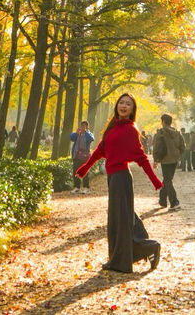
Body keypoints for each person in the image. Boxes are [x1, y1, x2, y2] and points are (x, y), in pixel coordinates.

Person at [76, 93, 162, 273]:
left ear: (132, 109)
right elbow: (99, 151)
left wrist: (155, 180)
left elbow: (142, 158)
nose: (123, 106)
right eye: (121, 103)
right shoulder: (112, 127)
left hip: (122, 177)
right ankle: (125, 256)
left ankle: (133, 256)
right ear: (117, 106)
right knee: (119, 220)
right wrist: (85, 168)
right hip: (113, 178)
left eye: (128, 104)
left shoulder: (131, 130)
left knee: (122, 220)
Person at [153, 113, 185, 211]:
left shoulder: (161, 132)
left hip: (165, 160)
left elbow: (156, 147)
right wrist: (178, 154)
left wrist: (155, 159)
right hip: (174, 160)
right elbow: (183, 146)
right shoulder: (177, 132)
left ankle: (174, 202)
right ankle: (162, 200)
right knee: (167, 179)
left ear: (163, 121)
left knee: (167, 180)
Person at [70, 120, 94, 193]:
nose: (83, 127)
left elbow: (91, 139)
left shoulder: (89, 134)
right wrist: (76, 133)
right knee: (76, 171)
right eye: (82, 126)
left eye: (85, 126)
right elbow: (71, 138)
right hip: (77, 156)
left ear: (87, 127)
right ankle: (77, 187)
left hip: (85, 157)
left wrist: (86, 132)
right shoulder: (78, 134)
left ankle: (86, 187)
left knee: (85, 172)